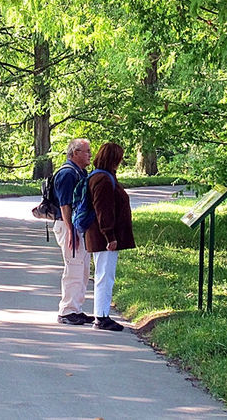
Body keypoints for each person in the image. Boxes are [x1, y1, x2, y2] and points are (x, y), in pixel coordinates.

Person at [84, 141, 135, 332]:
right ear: (113, 159)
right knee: (105, 276)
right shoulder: (103, 180)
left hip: (101, 237)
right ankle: (101, 317)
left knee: (104, 275)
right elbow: (103, 210)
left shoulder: (101, 177)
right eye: (119, 158)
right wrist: (110, 236)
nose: (121, 162)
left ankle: (102, 314)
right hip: (103, 239)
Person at [53, 138, 93, 326]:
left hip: (77, 227)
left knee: (83, 269)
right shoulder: (68, 174)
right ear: (75, 153)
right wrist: (71, 232)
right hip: (69, 226)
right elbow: (65, 205)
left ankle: (76, 308)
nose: (90, 155)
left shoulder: (80, 172)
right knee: (74, 268)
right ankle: (67, 311)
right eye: (86, 151)